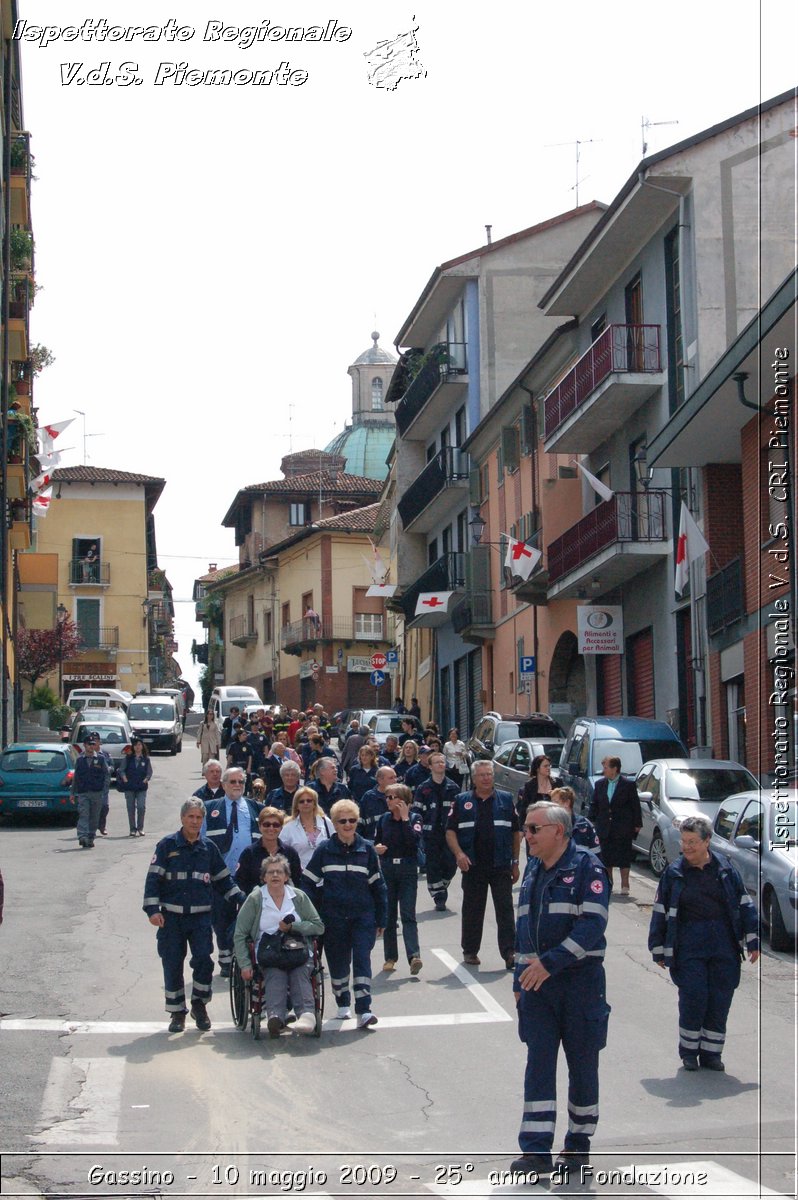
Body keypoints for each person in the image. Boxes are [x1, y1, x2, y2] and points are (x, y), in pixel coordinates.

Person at [510, 800, 611, 1176]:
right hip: (536, 984)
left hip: (579, 983)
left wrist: (549, 964)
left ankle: (577, 1145)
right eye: (526, 829)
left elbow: (592, 925)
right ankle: (536, 1150)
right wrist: (520, 978)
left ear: (558, 831)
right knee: (538, 1064)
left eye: (534, 829)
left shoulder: (587, 867)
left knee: (582, 1065)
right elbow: (524, 927)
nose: (527, 836)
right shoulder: (535, 868)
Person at [648, 814, 759, 1072]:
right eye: (684, 841)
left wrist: (752, 941)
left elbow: (745, 905)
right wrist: (658, 948)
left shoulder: (726, 869)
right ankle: (689, 1052)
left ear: (707, 841)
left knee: (720, 999)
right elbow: (660, 911)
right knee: (694, 997)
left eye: (692, 842)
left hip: (724, 945)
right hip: (688, 945)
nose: (686, 847)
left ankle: (711, 1054)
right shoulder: (673, 874)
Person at [143, 798, 244, 1032]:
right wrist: (152, 910)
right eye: (191, 817)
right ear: (182, 818)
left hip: (200, 919)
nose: (195, 821)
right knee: (172, 964)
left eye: (199, 817)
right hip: (171, 920)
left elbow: (223, 880)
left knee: (203, 962)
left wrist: (243, 899)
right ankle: (177, 1012)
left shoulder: (209, 848)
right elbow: (153, 879)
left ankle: (200, 1004)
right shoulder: (167, 846)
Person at [302, 798, 387, 1028]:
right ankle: (342, 1002)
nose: (348, 825)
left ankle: (365, 1010)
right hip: (334, 918)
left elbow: (379, 886)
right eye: (342, 821)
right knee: (339, 965)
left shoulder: (367, 849)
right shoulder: (324, 850)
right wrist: (315, 911)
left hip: (363, 917)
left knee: (362, 960)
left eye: (352, 820)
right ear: (335, 824)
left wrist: (382, 918)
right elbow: (307, 883)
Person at [234, 854, 324, 1037]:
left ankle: (306, 1015)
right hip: (269, 951)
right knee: (275, 972)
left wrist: (294, 927)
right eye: (270, 872)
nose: (275, 875)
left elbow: (318, 926)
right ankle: (276, 1016)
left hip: (297, 949)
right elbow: (240, 934)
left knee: (300, 971)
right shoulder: (255, 899)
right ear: (263, 877)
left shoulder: (298, 897)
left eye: (279, 872)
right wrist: (244, 964)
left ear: (286, 876)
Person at [446, 759, 520, 969]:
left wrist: (515, 862)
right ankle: (470, 951)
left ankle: (510, 952)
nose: (487, 778)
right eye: (482, 775)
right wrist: (459, 854)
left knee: (505, 910)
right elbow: (450, 831)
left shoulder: (505, 800)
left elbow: (516, 832)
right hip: (473, 866)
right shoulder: (461, 801)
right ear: (474, 778)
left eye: (489, 774)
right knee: (472, 910)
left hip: (500, 865)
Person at [202, 767, 263, 976]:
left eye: (240, 782)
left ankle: (245, 955)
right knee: (221, 918)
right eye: (232, 782)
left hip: (249, 874)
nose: (237, 785)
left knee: (248, 918)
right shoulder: (210, 808)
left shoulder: (257, 808)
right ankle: (226, 956)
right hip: (221, 875)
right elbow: (201, 843)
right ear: (223, 784)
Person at [375, 783, 423, 975]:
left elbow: (414, 843)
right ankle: (390, 957)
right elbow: (378, 839)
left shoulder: (414, 818)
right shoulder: (384, 819)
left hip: (407, 868)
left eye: (392, 797)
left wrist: (404, 821)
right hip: (388, 868)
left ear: (403, 800)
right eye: (387, 797)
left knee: (408, 914)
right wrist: (377, 848)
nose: (388, 801)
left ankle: (414, 956)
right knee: (389, 915)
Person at [412, 751, 459, 910]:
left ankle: (442, 885)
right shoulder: (423, 788)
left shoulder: (453, 787)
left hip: (449, 833)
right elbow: (417, 812)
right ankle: (439, 897)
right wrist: (418, 832)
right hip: (430, 834)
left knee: (451, 864)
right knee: (433, 865)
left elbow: (459, 813)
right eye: (437, 762)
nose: (441, 764)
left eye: (443, 762)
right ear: (430, 766)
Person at [588, 756, 642, 895]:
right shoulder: (600, 784)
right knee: (606, 856)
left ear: (615, 769)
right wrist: (591, 821)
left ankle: (625, 883)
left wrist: (637, 824)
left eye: (606, 767)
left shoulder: (628, 785)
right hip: (605, 825)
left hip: (623, 826)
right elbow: (595, 804)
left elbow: (635, 805)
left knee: (624, 856)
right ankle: (609, 882)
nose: (603, 770)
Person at [235, 806, 303, 893]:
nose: (271, 828)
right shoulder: (249, 853)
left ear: (281, 828)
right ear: (259, 827)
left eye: (276, 825)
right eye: (266, 825)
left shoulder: (291, 853)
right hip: (256, 903)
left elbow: (298, 883)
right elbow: (240, 883)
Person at [279, 787, 335, 870]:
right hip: (300, 877)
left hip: (325, 877)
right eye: (301, 801)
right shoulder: (288, 827)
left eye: (309, 800)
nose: (306, 803)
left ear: (314, 804)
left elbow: (336, 845)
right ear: (296, 805)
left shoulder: (326, 822)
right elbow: (281, 853)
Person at [71, 733, 111, 849]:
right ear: (84, 745)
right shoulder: (80, 760)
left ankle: (90, 836)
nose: (91, 746)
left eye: (93, 744)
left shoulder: (100, 759)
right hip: (83, 792)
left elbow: (107, 775)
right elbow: (76, 777)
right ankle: (82, 836)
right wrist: (72, 793)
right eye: (89, 744)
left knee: (94, 816)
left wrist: (104, 790)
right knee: (84, 814)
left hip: (97, 793)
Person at [117, 736, 153, 837]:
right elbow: (121, 770)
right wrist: (124, 778)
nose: (137, 747)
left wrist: (146, 779)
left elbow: (149, 772)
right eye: (136, 745)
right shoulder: (128, 758)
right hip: (129, 786)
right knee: (130, 808)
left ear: (142, 746)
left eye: (139, 745)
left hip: (141, 787)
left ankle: (140, 828)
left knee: (141, 807)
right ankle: (132, 829)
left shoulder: (145, 759)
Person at [550, 786, 600, 854]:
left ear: (567, 803)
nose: (551, 806)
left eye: (555, 802)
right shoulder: (548, 825)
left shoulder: (584, 824)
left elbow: (596, 853)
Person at [357, 766, 397, 842]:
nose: (395, 780)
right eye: (391, 778)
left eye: (395, 777)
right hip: (373, 843)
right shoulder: (368, 797)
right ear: (380, 780)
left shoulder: (400, 796)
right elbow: (359, 823)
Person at [516, 754, 555, 824]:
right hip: (535, 823)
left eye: (549, 766)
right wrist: (522, 828)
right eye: (545, 766)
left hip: (553, 821)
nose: (548, 768)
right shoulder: (529, 785)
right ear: (537, 769)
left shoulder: (557, 783)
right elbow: (524, 809)